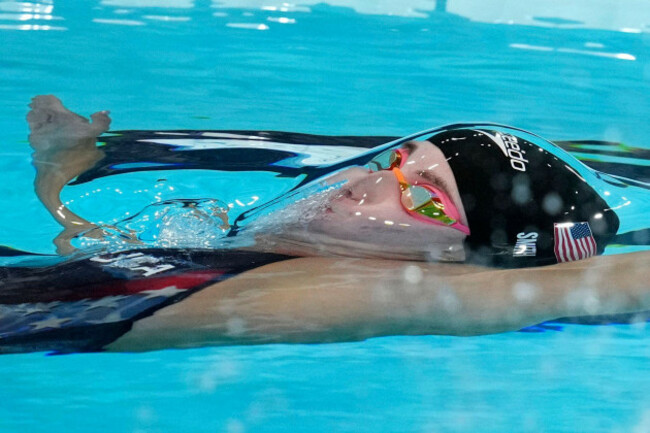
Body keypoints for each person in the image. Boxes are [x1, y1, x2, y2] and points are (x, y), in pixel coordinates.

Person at [0, 95, 647, 354]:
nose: (369, 182)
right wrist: (60, 169)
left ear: (459, 266)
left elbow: (602, 283)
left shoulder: (335, 288)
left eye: (424, 200)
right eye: (396, 162)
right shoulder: (211, 234)